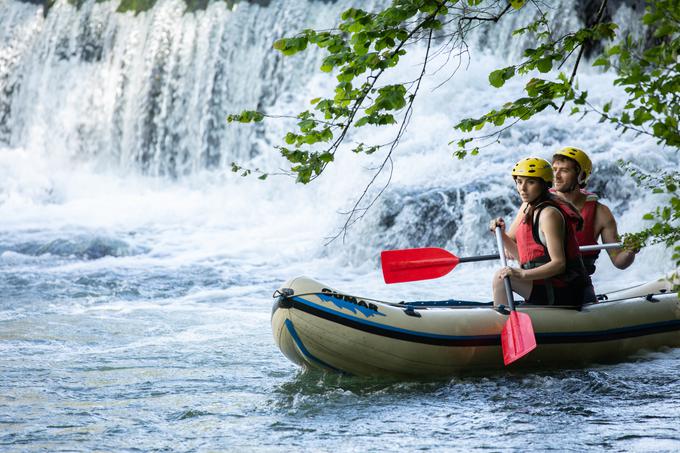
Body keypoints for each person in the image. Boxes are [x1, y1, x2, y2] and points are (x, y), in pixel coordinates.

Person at [490, 157, 588, 307]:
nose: (522, 188)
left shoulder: (549, 214)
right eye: (519, 181)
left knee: (501, 278)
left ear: (544, 184)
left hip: (566, 292)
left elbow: (559, 264)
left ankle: (502, 321)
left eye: (530, 182)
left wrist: (522, 274)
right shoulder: (531, 209)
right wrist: (502, 235)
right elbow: (525, 259)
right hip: (548, 286)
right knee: (503, 275)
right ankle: (503, 315)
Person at [550, 146, 637, 275]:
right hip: (543, 279)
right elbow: (512, 240)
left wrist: (630, 251)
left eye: (564, 170)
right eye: (554, 170)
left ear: (582, 176)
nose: (556, 176)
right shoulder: (537, 203)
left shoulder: (601, 212)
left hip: (578, 281)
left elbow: (619, 260)